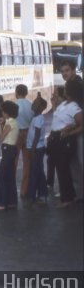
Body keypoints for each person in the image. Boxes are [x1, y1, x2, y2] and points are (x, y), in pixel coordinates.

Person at [46, 80, 82, 208]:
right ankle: (69, 196)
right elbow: (58, 118)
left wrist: (70, 132)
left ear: (71, 90)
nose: (63, 90)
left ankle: (67, 199)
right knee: (61, 168)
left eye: (66, 88)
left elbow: (81, 125)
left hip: (64, 140)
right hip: (56, 138)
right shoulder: (64, 104)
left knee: (63, 169)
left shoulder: (74, 106)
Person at [0, 100, 19, 212]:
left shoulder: (9, 124)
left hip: (7, 149)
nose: (2, 113)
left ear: (7, 113)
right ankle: (12, 202)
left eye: (3, 111)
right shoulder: (15, 122)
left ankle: (2, 203)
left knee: (1, 176)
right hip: (12, 149)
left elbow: (1, 138)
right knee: (10, 176)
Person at [26, 96, 48, 205]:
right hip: (35, 148)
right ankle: (38, 195)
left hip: (37, 149)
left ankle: (37, 195)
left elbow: (37, 134)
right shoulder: (35, 117)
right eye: (33, 102)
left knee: (36, 172)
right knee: (36, 171)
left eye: (35, 103)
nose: (33, 104)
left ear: (41, 107)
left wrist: (32, 150)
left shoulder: (39, 118)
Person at [14, 84, 33, 199]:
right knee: (27, 163)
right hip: (28, 133)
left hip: (16, 134)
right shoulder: (30, 105)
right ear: (26, 93)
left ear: (16, 92)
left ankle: (11, 189)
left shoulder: (14, 105)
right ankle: (24, 190)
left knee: (13, 162)